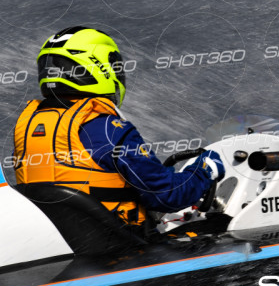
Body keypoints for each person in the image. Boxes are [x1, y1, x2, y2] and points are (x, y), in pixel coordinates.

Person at [12, 26, 225, 230]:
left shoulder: (27, 129)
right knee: (220, 225)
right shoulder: (109, 129)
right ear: (98, 67)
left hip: (66, 241)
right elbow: (168, 196)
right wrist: (204, 170)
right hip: (121, 243)